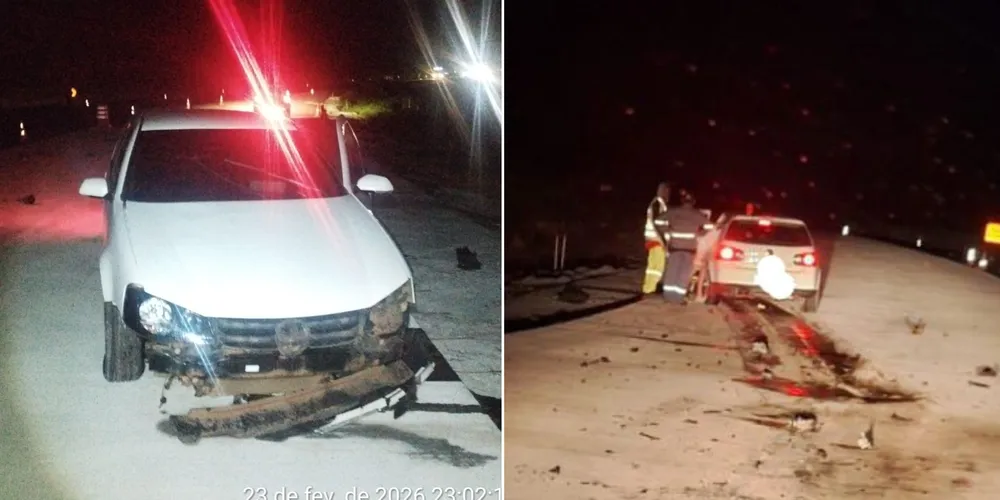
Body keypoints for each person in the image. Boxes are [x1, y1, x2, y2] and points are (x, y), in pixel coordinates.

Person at [661, 190, 710, 304]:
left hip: (675, 247)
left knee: (672, 271)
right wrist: (700, 234)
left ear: (682, 200)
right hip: (689, 249)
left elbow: (658, 221)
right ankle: (678, 298)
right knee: (683, 273)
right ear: (693, 202)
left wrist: (668, 231)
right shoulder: (696, 214)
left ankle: (668, 297)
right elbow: (709, 225)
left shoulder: (673, 212)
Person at [642, 182, 671, 294]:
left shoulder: (658, 203)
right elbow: (657, 224)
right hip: (657, 240)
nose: (668, 194)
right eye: (667, 192)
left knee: (654, 266)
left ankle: (649, 287)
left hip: (654, 240)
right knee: (656, 267)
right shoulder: (658, 204)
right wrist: (664, 242)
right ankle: (649, 288)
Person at [692, 212, 729, 300]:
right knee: (695, 269)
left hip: (702, 245)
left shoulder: (716, 227)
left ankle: (698, 294)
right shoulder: (719, 229)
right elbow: (711, 242)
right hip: (703, 247)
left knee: (701, 270)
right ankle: (693, 292)